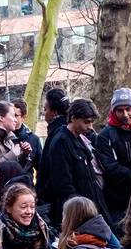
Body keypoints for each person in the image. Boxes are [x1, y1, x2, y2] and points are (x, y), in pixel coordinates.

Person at [52, 98, 114, 228]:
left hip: (93, 207)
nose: (90, 127)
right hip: (80, 214)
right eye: (86, 122)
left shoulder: (80, 140)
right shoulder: (61, 142)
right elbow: (63, 184)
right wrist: (80, 211)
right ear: (73, 118)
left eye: (91, 122)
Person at [94, 87, 131, 218]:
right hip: (119, 200)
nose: (125, 114)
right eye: (120, 111)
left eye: (128, 109)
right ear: (114, 111)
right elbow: (110, 166)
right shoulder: (105, 136)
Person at [36, 88, 71, 228]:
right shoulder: (60, 132)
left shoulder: (58, 135)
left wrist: (44, 192)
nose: (44, 113)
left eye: (45, 109)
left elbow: (55, 171)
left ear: (54, 112)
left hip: (57, 202)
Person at [11, 98, 42, 181]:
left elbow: (41, 168)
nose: (12, 118)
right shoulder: (2, 137)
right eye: (10, 115)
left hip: (26, 187)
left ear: (23, 117)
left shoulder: (34, 139)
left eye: (15, 115)